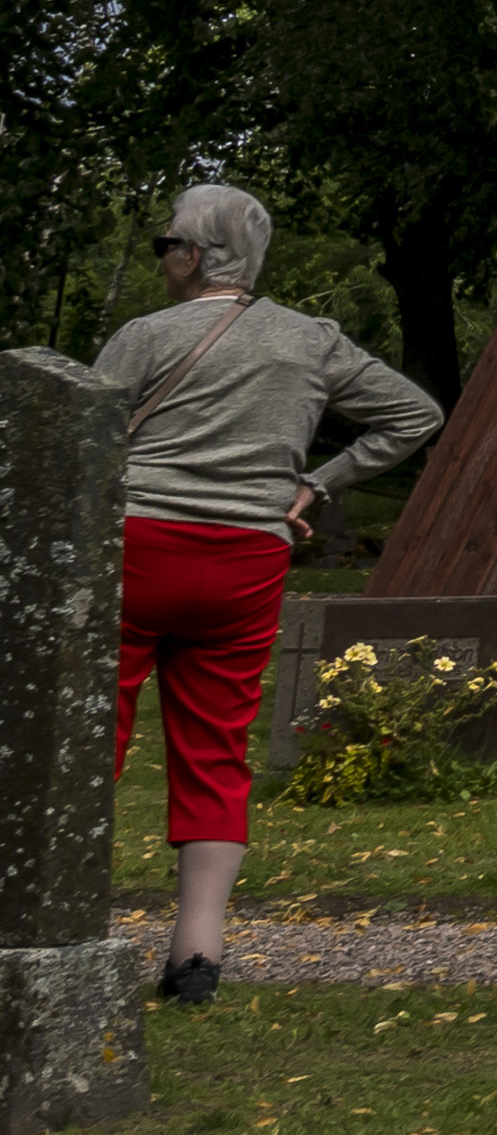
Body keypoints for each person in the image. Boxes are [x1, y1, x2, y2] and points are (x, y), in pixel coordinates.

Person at [99, 185, 443, 1004]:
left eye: (166, 244)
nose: (163, 257)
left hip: (137, 548)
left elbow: (87, 437)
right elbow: (414, 414)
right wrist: (317, 485)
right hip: (247, 558)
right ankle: (197, 957)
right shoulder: (310, 340)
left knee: (87, 736)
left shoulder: (144, 336)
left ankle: (53, 922)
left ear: (193, 254)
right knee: (216, 748)